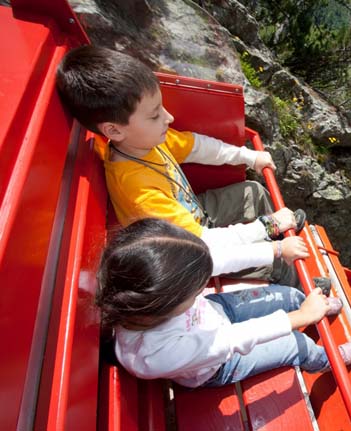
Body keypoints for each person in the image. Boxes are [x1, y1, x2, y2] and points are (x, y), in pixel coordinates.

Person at [55, 45, 305, 282]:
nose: (168, 117)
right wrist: (269, 228)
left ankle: (284, 231)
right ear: (114, 130)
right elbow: (202, 242)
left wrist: (248, 157)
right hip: (186, 251)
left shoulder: (145, 141)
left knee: (253, 192)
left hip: (194, 216)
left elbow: (197, 146)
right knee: (275, 261)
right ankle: (302, 282)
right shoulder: (139, 194)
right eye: (155, 115)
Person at [96, 218, 351, 387]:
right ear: (168, 303)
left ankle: (317, 307)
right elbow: (233, 340)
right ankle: (324, 359)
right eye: (195, 290)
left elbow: (219, 260)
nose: (203, 285)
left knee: (287, 295)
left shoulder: (151, 290)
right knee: (297, 344)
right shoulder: (155, 356)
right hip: (220, 363)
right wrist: (300, 319)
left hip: (215, 313)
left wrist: (276, 250)